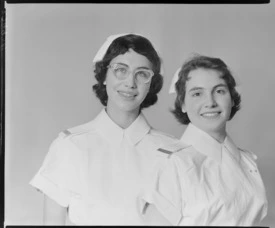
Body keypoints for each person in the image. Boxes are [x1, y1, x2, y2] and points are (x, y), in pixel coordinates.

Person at [29, 33, 188, 225]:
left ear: (151, 85)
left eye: (142, 74)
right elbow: (51, 223)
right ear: (104, 75)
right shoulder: (69, 146)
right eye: (121, 70)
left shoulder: (172, 152)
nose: (130, 83)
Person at [143, 54, 268, 226]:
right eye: (197, 94)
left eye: (219, 91)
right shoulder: (171, 164)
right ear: (183, 104)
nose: (210, 102)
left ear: (232, 99)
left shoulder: (247, 161)